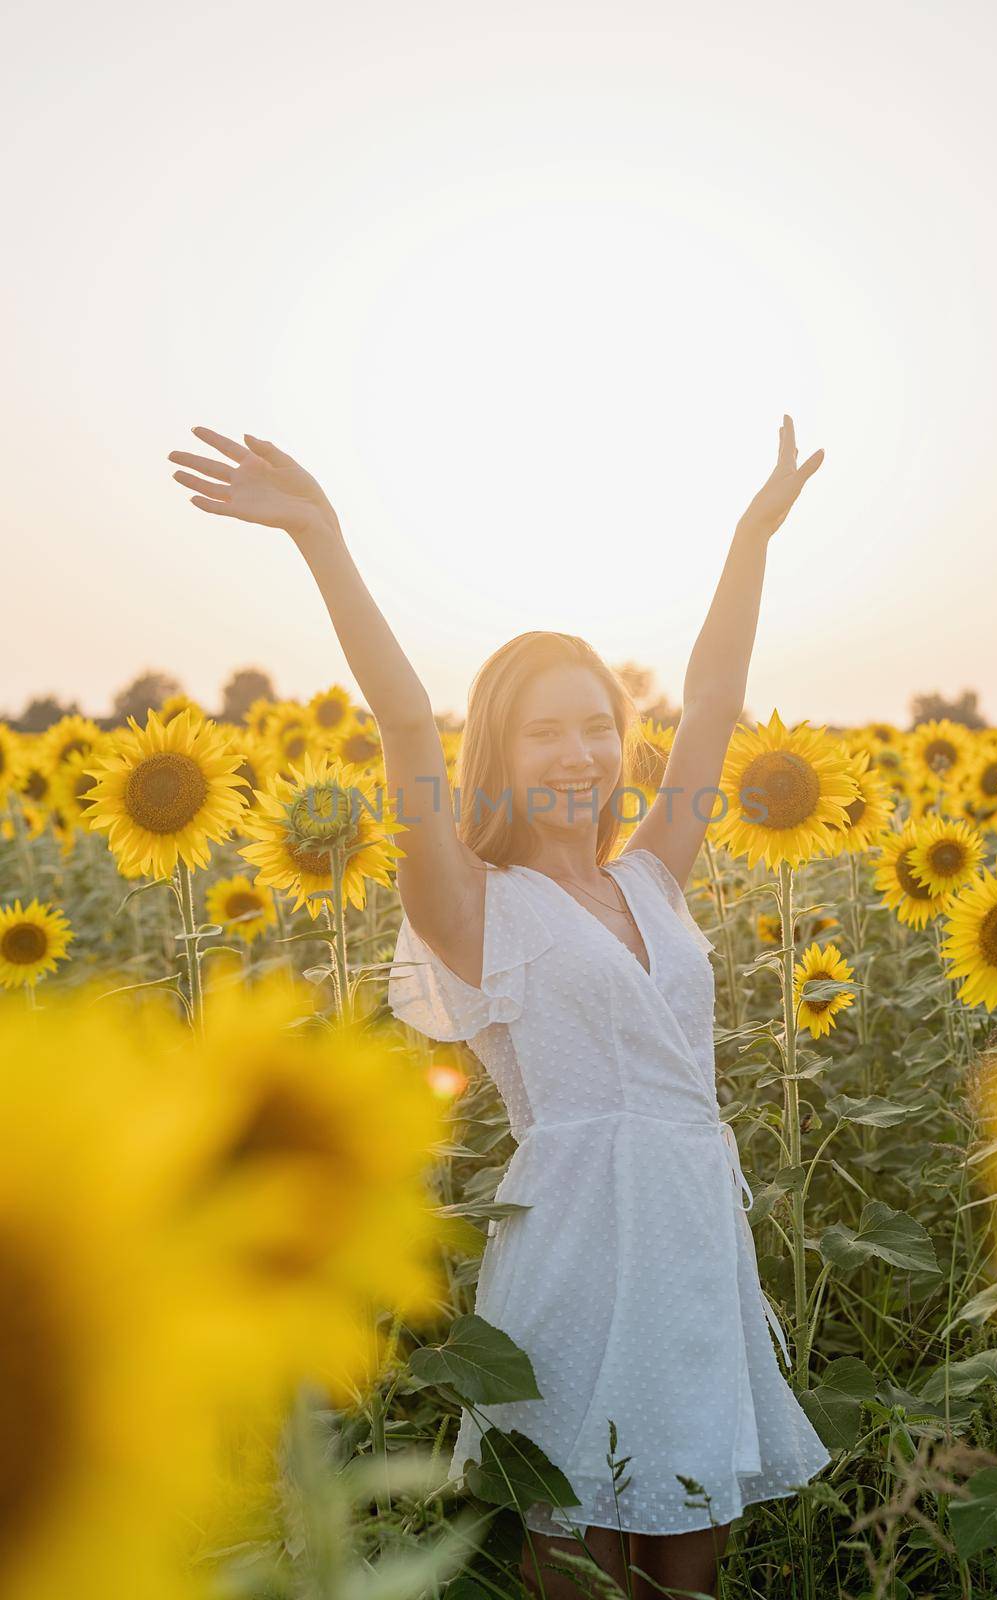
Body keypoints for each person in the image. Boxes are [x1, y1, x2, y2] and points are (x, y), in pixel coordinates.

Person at [168, 415, 830, 1599]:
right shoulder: (473, 902)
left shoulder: (652, 876)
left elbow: (717, 700)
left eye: (597, 726)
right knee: (570, 1551)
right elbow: (406, 723)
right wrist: (322, 536)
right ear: (501, 754)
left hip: (690, 1226)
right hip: (577, 1236)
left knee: (686, 1557)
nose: (580, 752)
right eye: (546, 730)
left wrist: (748, 539)